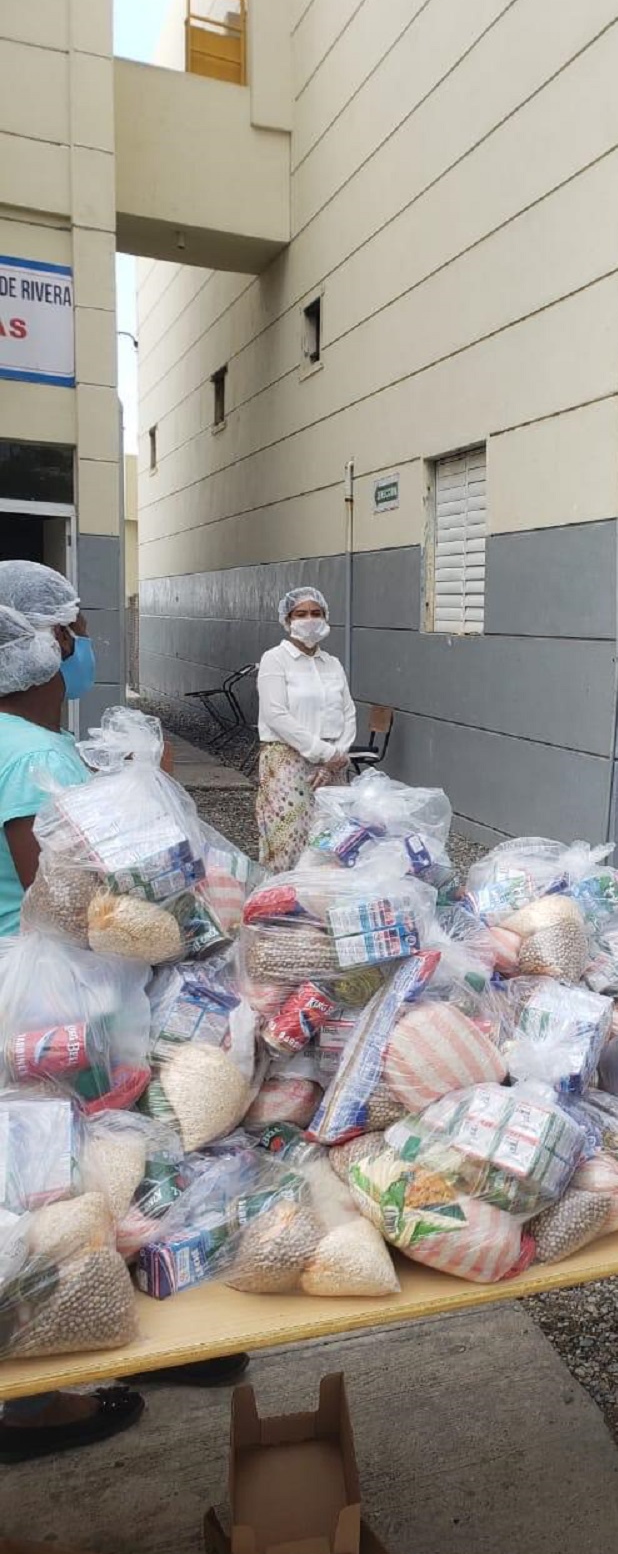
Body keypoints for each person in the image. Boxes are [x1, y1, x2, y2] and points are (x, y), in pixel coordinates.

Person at [0, 560, 244, 1463]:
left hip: (19, 990)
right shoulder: (33, 755)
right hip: (55, 997)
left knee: (28, 1175)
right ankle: (52, 1383)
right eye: (68, 631)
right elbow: (74, 900)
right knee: (96, 1159)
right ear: (37, 649)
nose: (78, 647)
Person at [256, 586, 356, 872]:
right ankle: (278, 908)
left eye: (316, 613)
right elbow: (276, 714)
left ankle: (318, 907)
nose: (309, 619)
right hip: (288, 762)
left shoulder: (332, 664)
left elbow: (347, 711)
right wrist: (323, 752)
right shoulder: (275, 659)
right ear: (288, 620)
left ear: (326, 618)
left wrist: (337, 755)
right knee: (287, 838)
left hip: (333, 766)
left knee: (330, 841)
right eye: (301, 614)